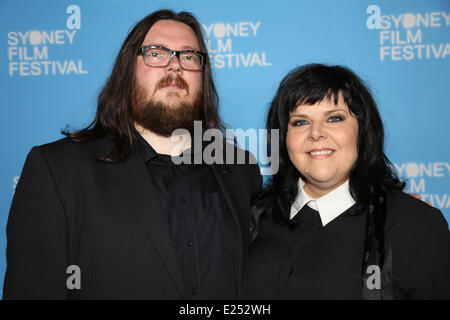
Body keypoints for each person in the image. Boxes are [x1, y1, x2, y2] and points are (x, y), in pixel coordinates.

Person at [3, 10, 261, 299]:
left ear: (203, 76)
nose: (174, 67)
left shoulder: (239, 169)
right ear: (128, 70)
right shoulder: (58, 171)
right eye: (156, 53)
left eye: (189, 56)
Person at [247, 64, 450, 299]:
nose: (316, 133)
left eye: (334, 118)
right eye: (300, 122)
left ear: (362, 131)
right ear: (284, 138)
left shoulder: (415, 225)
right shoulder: (255, 219)